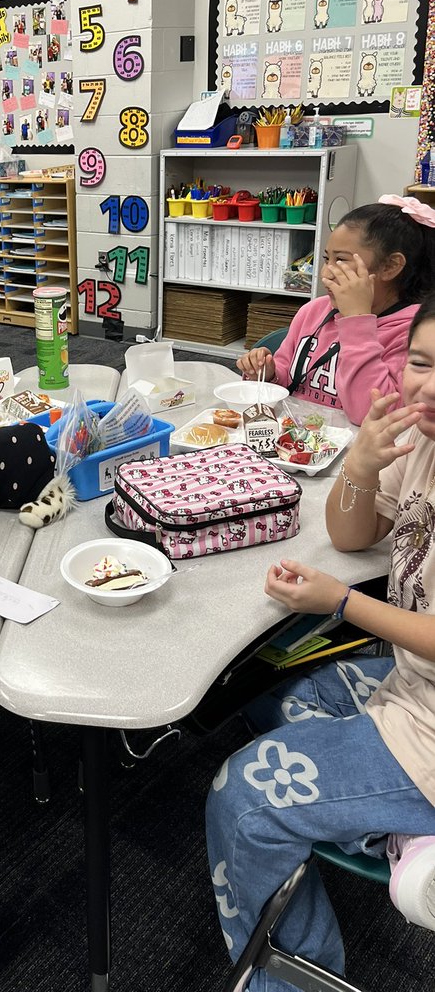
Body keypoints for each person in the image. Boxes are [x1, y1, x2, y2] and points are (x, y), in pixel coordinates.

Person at [207, 296, 435, 990]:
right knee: (276, 699)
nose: (427, 385)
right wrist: (362, 464)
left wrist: (342, 602)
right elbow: (349, 535)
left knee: (240, 796)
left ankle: (295, 980)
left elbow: (348, 578)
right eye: (422, 363)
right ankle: (406, 837)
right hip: (410, 688)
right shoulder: (423, 437)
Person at [237, 197, 435, 424]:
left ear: (390, 266)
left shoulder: (414, 331)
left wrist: (357, 320)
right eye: (326, 258)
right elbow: (287, 372)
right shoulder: (314, 311)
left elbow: (376, 414)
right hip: (298, 440)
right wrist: (268, 372)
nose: (326, 273)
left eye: (341, 260)